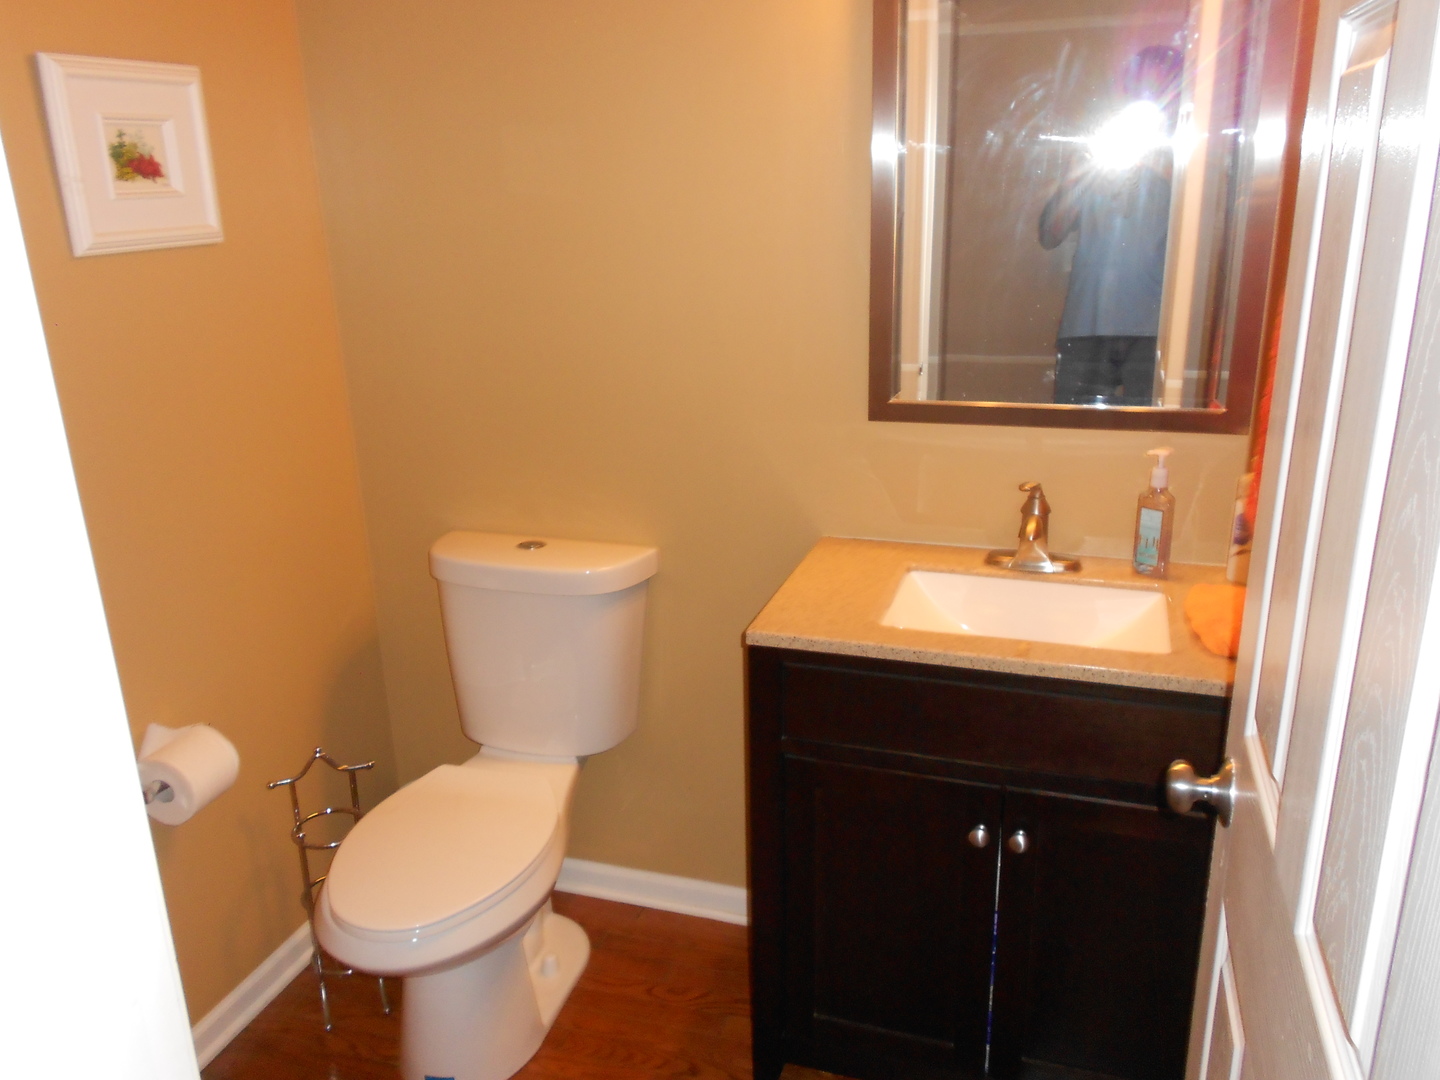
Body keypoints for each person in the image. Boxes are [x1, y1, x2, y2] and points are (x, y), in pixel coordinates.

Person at [1039, 45, 1183, 405]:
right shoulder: (1098, 150)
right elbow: (1050, 235)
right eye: (1139, 81)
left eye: (1157, 83)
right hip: (1086, 330)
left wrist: (1165, 166)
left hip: (1156, 334)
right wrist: (1076, 178)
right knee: (1073, 443)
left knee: (1148, 445)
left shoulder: (1184, 154)